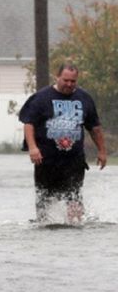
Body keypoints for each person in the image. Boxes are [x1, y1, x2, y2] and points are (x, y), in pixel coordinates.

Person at [19, 62, 107, 223]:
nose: (69, 84)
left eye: (73, 81)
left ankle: (75, 227)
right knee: (44, 198)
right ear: (57, 77)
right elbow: (28, 123)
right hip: (46, 160)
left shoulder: (84, 98)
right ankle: (44, 225)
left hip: (74, 160)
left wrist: (102, 150)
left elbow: (94, 127)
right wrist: (32, 147)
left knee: (74, 196)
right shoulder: (41, 98)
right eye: (65, 80)